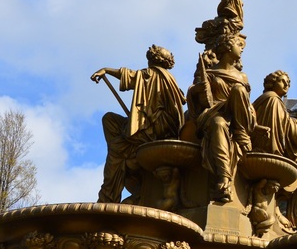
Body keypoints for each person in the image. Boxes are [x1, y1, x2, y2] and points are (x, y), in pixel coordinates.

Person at [91, 45, 185, 203]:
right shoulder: (171, 80)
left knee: (115, 156)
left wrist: (106, 70)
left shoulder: (150, 74)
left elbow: (128, 75)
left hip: (149, 131)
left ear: (154, 60)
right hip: (158, 129)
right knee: (110, 120)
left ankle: (107, 198)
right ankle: (120, 146)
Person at [186, 30, 262, 203]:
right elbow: (196, 99)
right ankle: (224, 178)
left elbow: (246, 104)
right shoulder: (211, 73)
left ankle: (241, 133)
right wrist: (197, 90)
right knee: (219, 124)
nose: (241, 50)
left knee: (238, 90)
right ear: (227, 48)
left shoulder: (242, 77)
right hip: (215, 113)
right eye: (237, 45)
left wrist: (254, 122)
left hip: (237, 117)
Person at [252, 70, 297, 230]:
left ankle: (281, 208)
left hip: (268, 147)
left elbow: (285, 123)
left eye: (288, 83)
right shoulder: (272, 100)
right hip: (267, 148)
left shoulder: (272, 101)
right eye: (283, 82)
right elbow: (284, 126)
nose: (286, 86)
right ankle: (296, 210)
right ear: (272, 83)